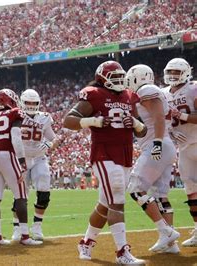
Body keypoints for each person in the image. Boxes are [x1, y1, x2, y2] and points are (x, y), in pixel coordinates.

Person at [63, 61, 146, 264]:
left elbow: (143, 130)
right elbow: (68, 120)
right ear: (102, 78)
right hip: (104, 153)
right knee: (117, 200)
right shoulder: (94, 94)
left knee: (105, 204)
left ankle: (86, 241)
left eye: (120, 76)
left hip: (125, 153)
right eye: (114, 77)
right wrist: (93, 121)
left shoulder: (129, 95)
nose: (119, 80)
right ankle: (122, 252)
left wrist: (135, 123)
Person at [125, 64, 180, 253]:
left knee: (135, 189)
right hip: (165, 145)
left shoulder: (147, 90)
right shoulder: (153, 92)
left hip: (158, 145)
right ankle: (171, 244)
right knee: (160, 196)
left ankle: (166, 231)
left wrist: (156, 142)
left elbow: (157, 116)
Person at [0, 88, 42, 246]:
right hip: (7, 155)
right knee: (21, 196)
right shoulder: (14, 113)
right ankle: (25, 236)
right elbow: (16, 138)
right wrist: (22, 161)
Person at [10, 89, 57, 242]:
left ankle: (37, 226)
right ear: (22, 103)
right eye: (28, 103)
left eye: (33, 103)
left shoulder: (44, 118)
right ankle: (17, 227)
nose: (30, 106)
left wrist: (49, 145)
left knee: (44, 189)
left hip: (38, 158)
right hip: (21, 159)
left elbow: (53, 138)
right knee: (20, 195)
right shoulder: (16, 116)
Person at [162, 58, 197, 247]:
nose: (172, 75)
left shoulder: (193, 88)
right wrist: (171, 132)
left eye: (176, 72)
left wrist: (181, 115)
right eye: (170, 72)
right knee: (191, 190)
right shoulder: (163, 93)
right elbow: (160, 120)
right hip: (184, 148)